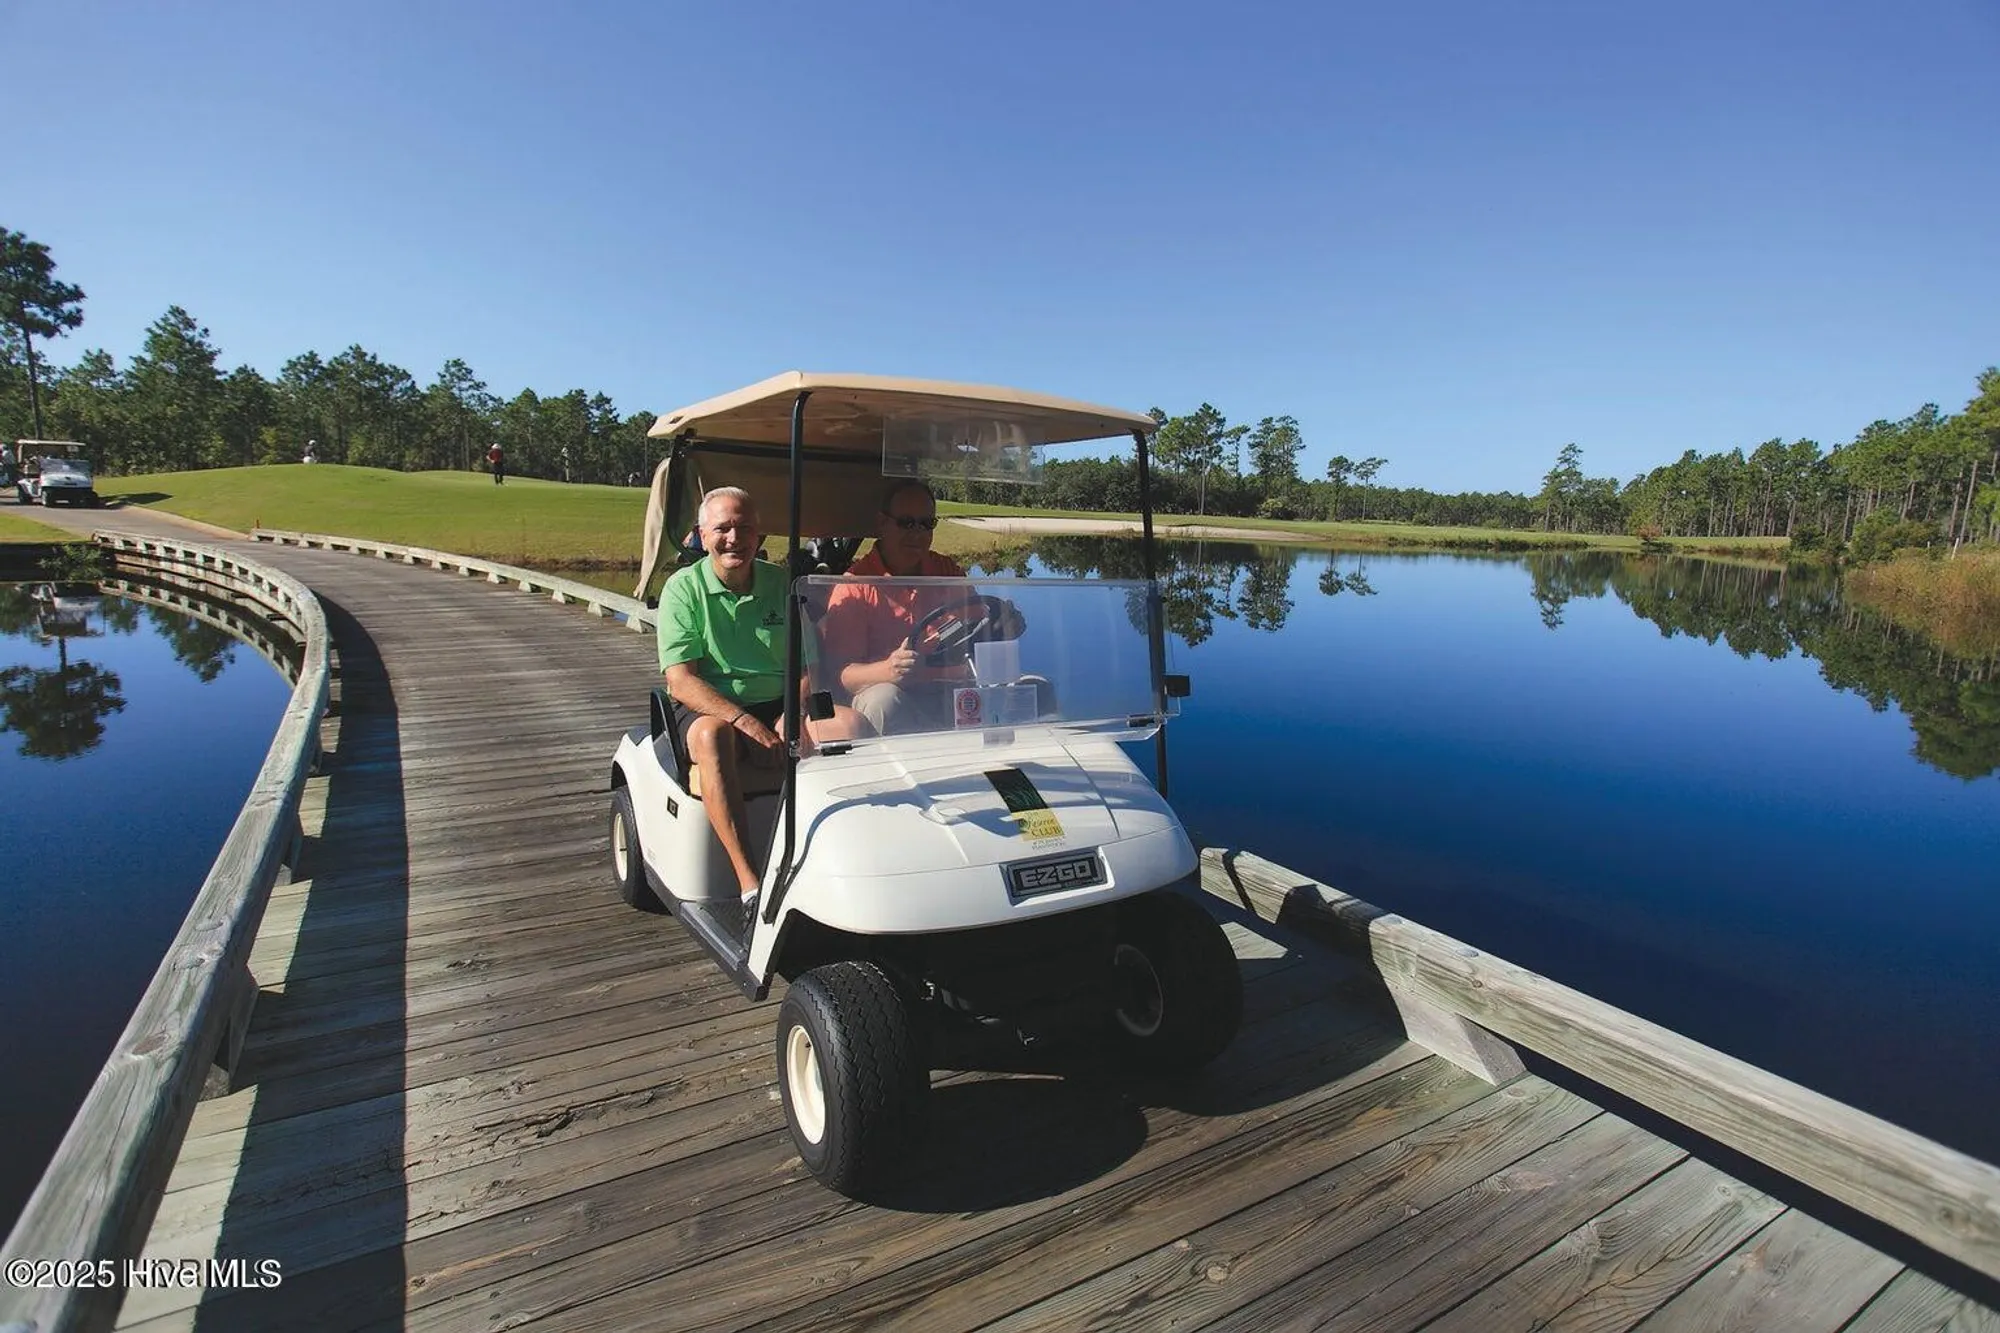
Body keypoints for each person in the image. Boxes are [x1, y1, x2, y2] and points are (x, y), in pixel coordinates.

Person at [657, 486, 850, 920]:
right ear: (702, 536)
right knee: (711, 737)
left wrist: (793, 713)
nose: (733, 538)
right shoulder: (683, 590)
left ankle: (836, 858)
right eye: (722, 528)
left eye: (744, 528)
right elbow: (682, 681)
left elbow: (807, 666)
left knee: (850, 726)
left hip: (780, 702)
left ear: (759, 536)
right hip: (714, 706)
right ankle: (750, 884)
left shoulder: (782, 584)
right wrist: (747, 723)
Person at [821, 479, 1019, 734]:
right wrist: (888, 669)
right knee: (885, 702)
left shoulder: (946, 572)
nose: (917, 533)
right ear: (883, 523)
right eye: (906, 523)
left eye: (926, 524)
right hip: (894, 691)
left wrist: (1004, 627)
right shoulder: (855, 587)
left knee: (1036, 687)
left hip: (952, 691)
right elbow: (842, 674)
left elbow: (978, 632)